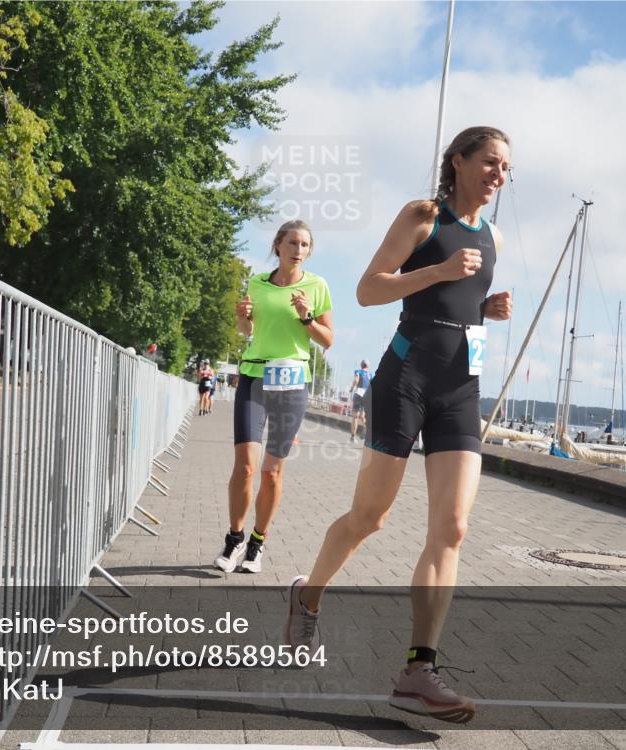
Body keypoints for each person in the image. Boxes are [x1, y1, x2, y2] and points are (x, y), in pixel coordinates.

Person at [284, 127, 513, 723]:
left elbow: (458, 307)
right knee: (371, 518)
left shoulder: (494, 237)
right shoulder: (423, 216)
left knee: (454, 528)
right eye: (490, 162)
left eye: (507, 167)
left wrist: (485, 308)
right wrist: (436, 274)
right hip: (404, 382)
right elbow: (367, 290)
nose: (499, 175)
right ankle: (308, 594)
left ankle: (418, 670)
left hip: (462, 389)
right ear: (458, 162)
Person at [214, 219, 334, 574]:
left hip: (291, 381)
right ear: (278, 246)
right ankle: (234, 538)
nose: (299, 251)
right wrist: (242, 319)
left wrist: (306, 317)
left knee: (271, 473)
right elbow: (249, 331)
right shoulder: (257, 283)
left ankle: (257, 543)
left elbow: (327, 339)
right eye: (293, 243)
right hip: (254, 374)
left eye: (305, 245)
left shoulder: (317, 286)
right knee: (246, 466)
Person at [349, 360, 372, 442]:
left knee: (355, 416)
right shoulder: (370, 374)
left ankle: (353, 436)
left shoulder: (358, 371)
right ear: (368, 366)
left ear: (361, 365)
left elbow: (356, 380)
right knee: (362, 415)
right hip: (366, 394)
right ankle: (366, 428)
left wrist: (351, 388)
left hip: (359, 393)